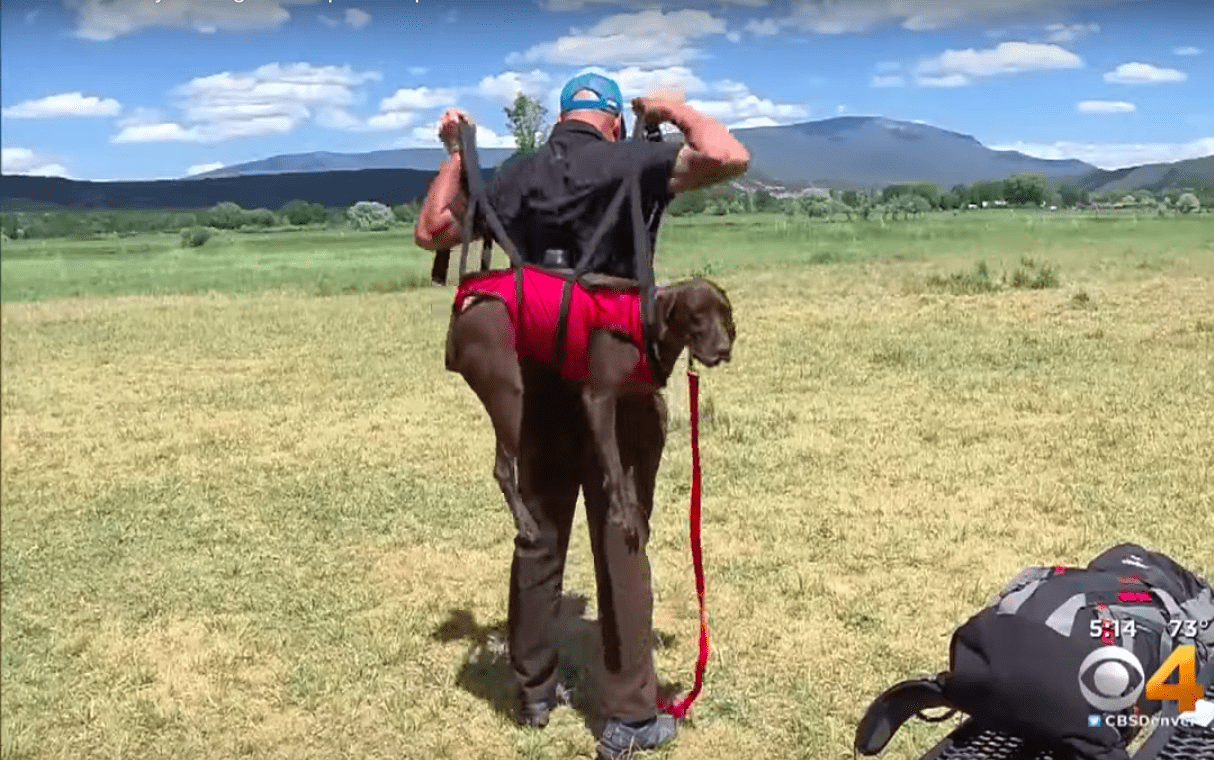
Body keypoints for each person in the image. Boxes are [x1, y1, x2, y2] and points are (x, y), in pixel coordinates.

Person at [414, 73, 748, 759]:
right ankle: (629, 714)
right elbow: (727, 155)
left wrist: (457, 151)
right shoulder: (632, 159)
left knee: (537, 524)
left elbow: (432, 231)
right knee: (620, 531)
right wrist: (674, 108)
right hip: (616, 365)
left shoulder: (516, 173)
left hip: (536, 359)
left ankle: (533, 690)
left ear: (563, 117)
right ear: (614, 124)